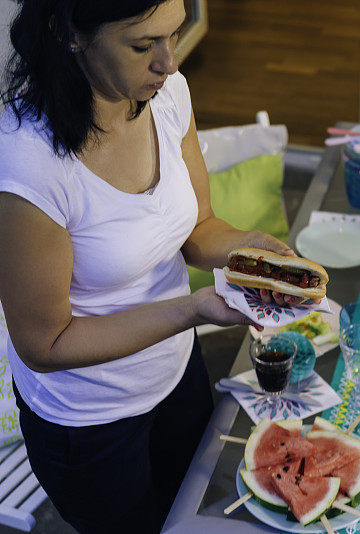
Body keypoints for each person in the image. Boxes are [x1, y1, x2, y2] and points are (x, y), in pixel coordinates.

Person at [0, 1, 304, 532]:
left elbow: (197, 228)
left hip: (176, 375)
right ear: (71, 34)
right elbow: (45, 344)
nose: (169, 62)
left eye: (175, 34)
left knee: (195, 520)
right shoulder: (28, 161)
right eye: (143, 46)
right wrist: (193, 309)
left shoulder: (166, 95)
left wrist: (250, 247)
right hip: (90, 428)